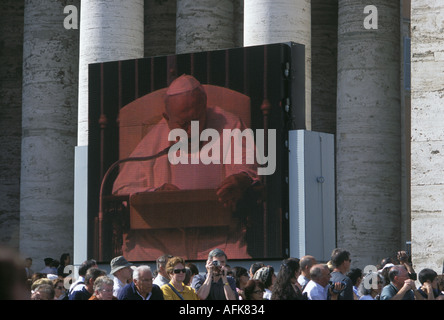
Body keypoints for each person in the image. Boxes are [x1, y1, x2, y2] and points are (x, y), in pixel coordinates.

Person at [112, 74, 262, 261]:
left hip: (217, 236)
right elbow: (122, 190)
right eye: (183, 124)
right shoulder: (155, 138)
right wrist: (154, 192)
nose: (191, 131)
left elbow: (249, 170)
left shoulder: (229, 124)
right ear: (167, 118)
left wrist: (241, 179)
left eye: (197, 120)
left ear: (204, 108)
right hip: (163, 239)